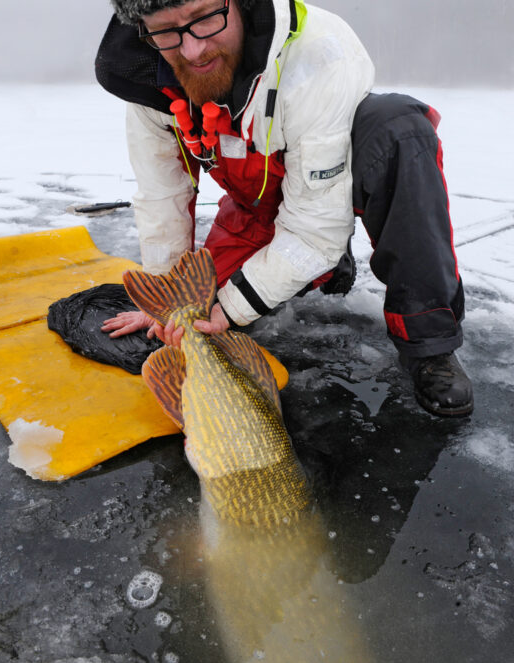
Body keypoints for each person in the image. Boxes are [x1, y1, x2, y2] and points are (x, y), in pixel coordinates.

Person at [96, 0, 473, 417]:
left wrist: (237, 306)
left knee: (396, 127)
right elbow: (161, 197)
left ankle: (429, 342)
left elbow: (314, 228)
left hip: (326, 188)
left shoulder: (321, 53)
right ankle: (323, 265)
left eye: (203, 18)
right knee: (201, 315)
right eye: (165, 31)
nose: (192, 51)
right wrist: (166, 299)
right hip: (256, 214)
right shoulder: (144, 79)